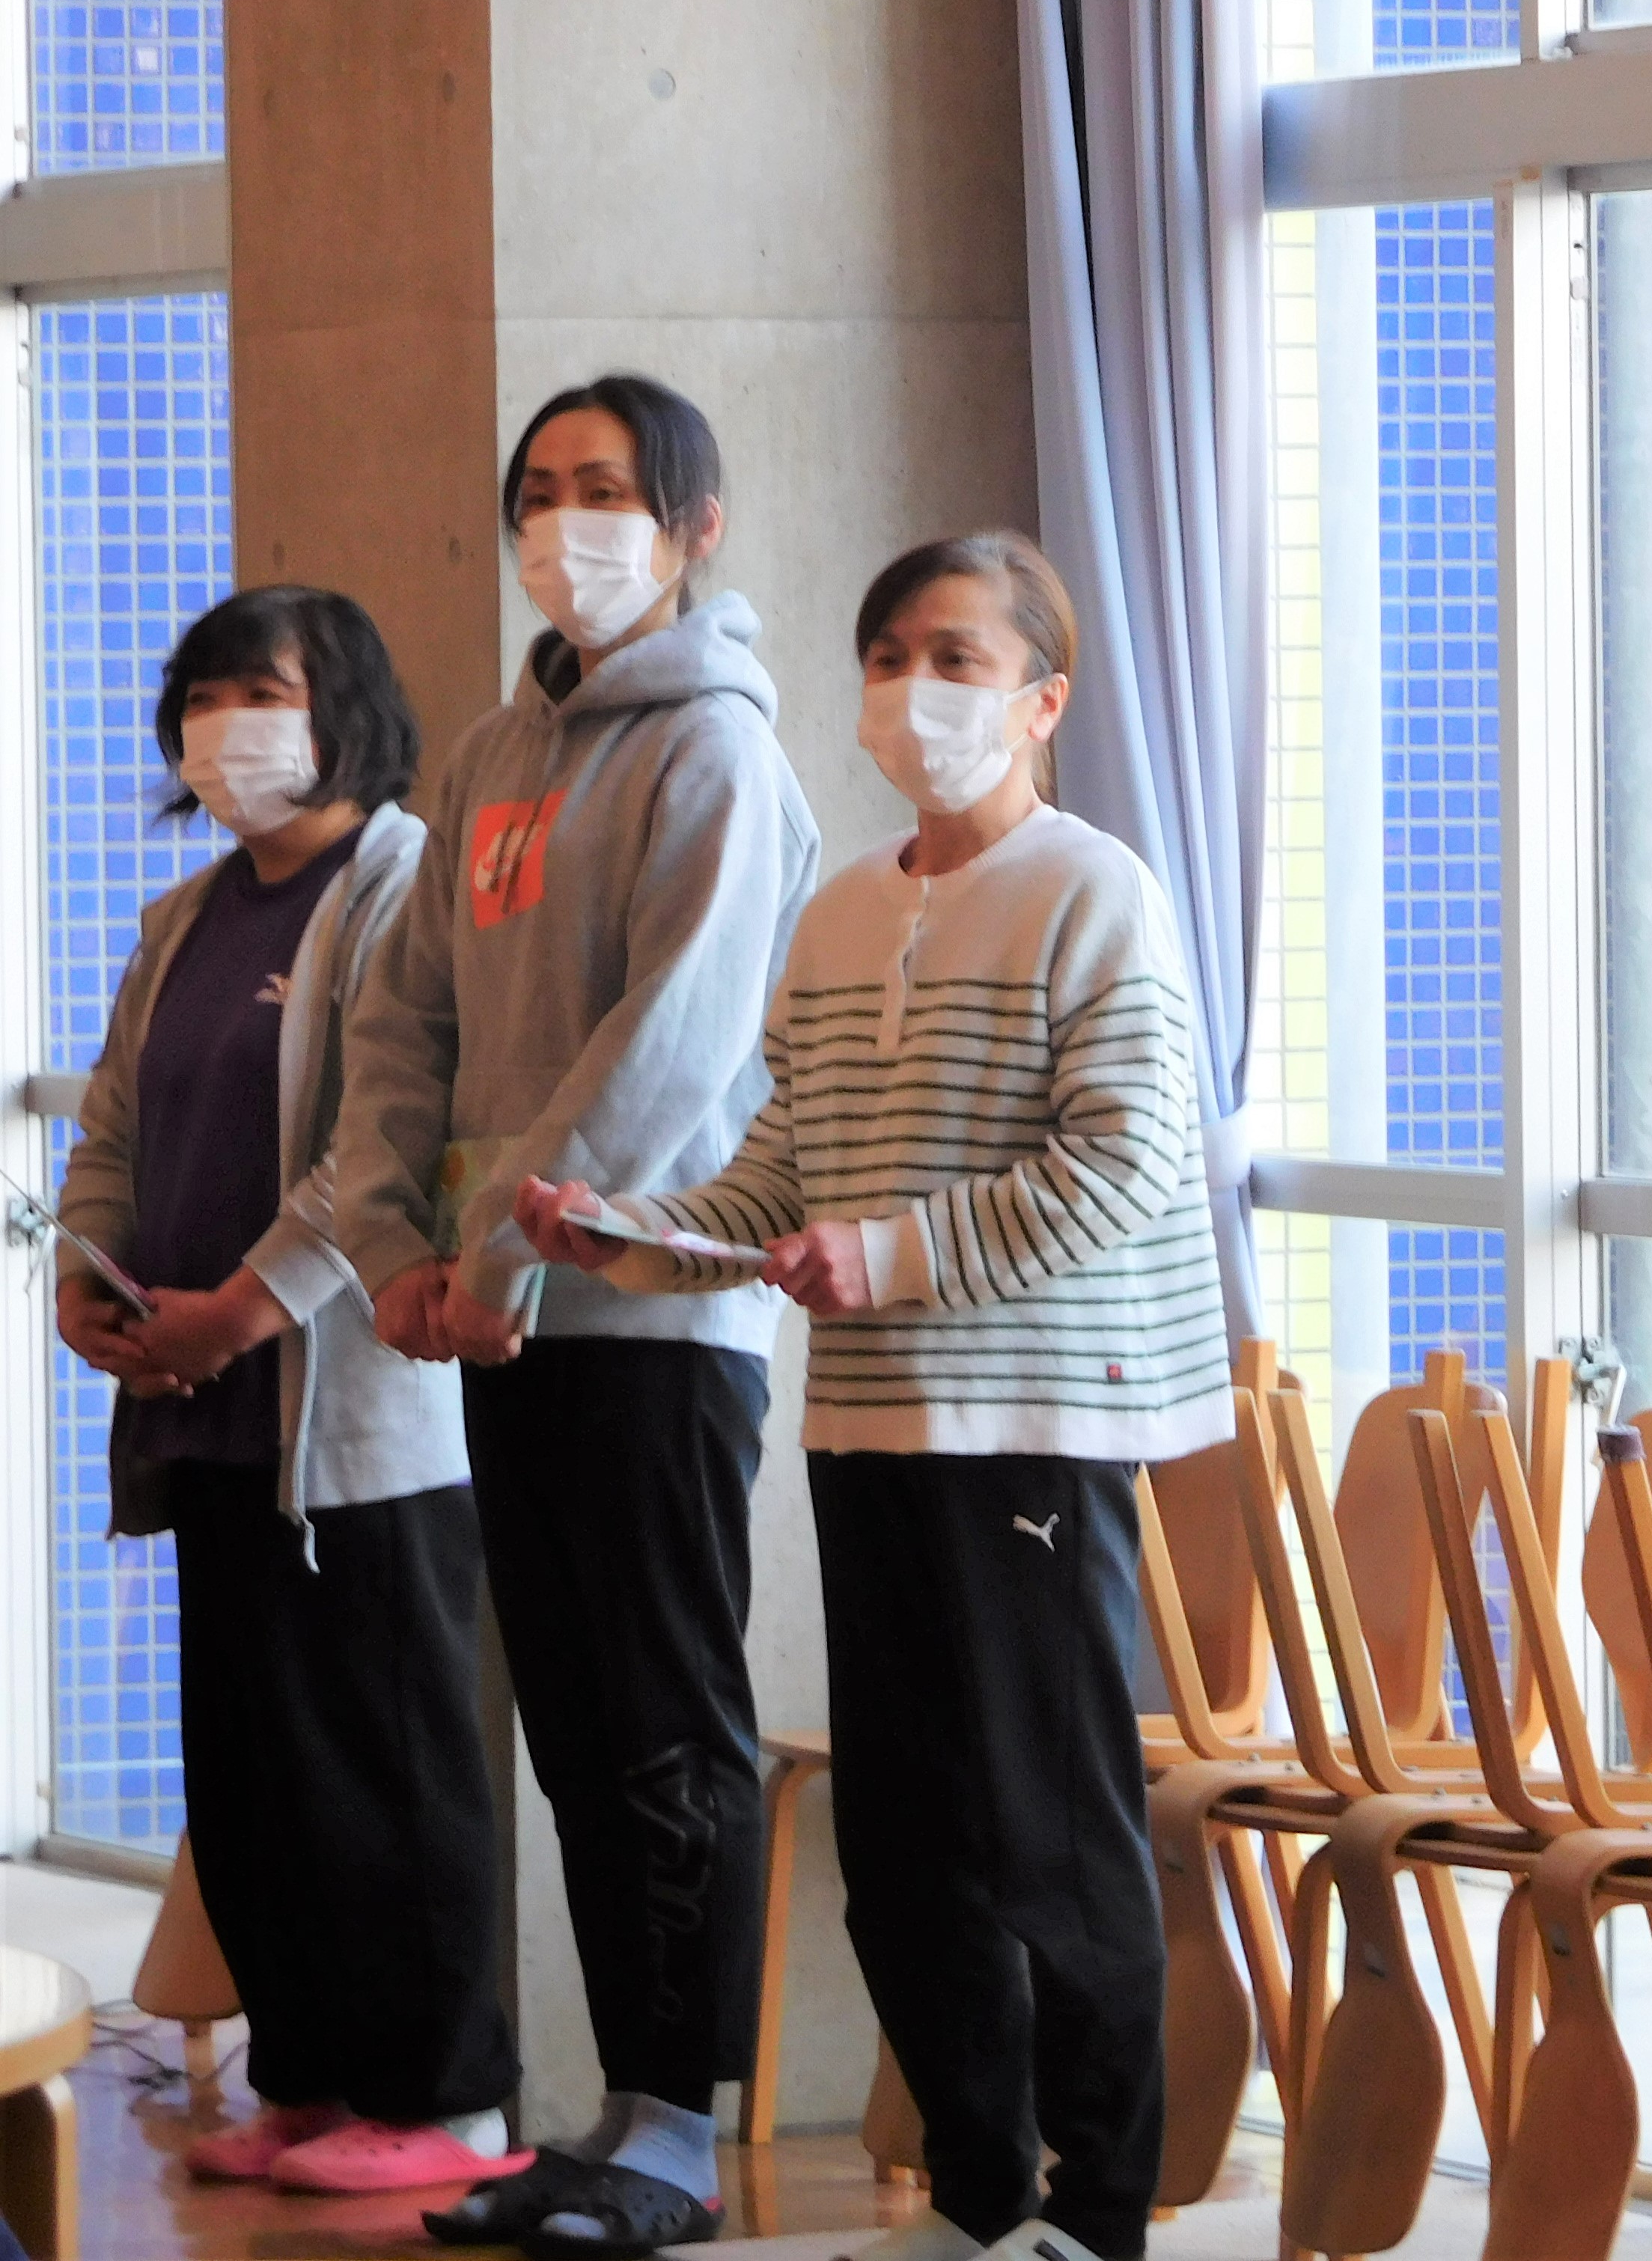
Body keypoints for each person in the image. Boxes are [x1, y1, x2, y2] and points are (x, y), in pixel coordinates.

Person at [511, 532, 1222, 2261]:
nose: (916, 689)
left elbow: (1129, 1159)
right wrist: (630, 1236)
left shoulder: (1096, 890)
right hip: (869, 1426)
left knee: (1053, 1833)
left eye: (959, 657)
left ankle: (1097, 2215)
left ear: (1044, 699)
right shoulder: (837, 915)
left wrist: (892, 1255)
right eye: (891, 653)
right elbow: (787, 1170)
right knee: (903, 1849)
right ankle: (978, 2202)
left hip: (1032, 1428)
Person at [332, 376, 820, 2257]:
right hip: (499, 1316)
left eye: (606, 490)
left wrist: (507, 1252)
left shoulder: (719, 755)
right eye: (538, 491)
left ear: (696, 527)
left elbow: (670, 1051)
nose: (565, 523)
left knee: (664, 1726)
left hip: (649, 1324)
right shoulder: (490, 755)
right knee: (571, 1731)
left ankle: (680, 2132)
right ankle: (617, 2111)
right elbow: (406, 1021)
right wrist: (399, 1242)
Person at [51, 586, 524, 2197]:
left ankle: (447, 2099)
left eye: (257, 692)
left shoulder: (398, 885)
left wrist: (246, 1311)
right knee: (254, 1775)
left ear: (344, 714)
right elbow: (115, 1123)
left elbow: (380, 1147)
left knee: (384, 1763)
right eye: (201, 697)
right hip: (201, 1412)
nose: (222, 727)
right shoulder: (185, 916)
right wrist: (87, 1275)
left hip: (353, 1423)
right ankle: (310, 2078)